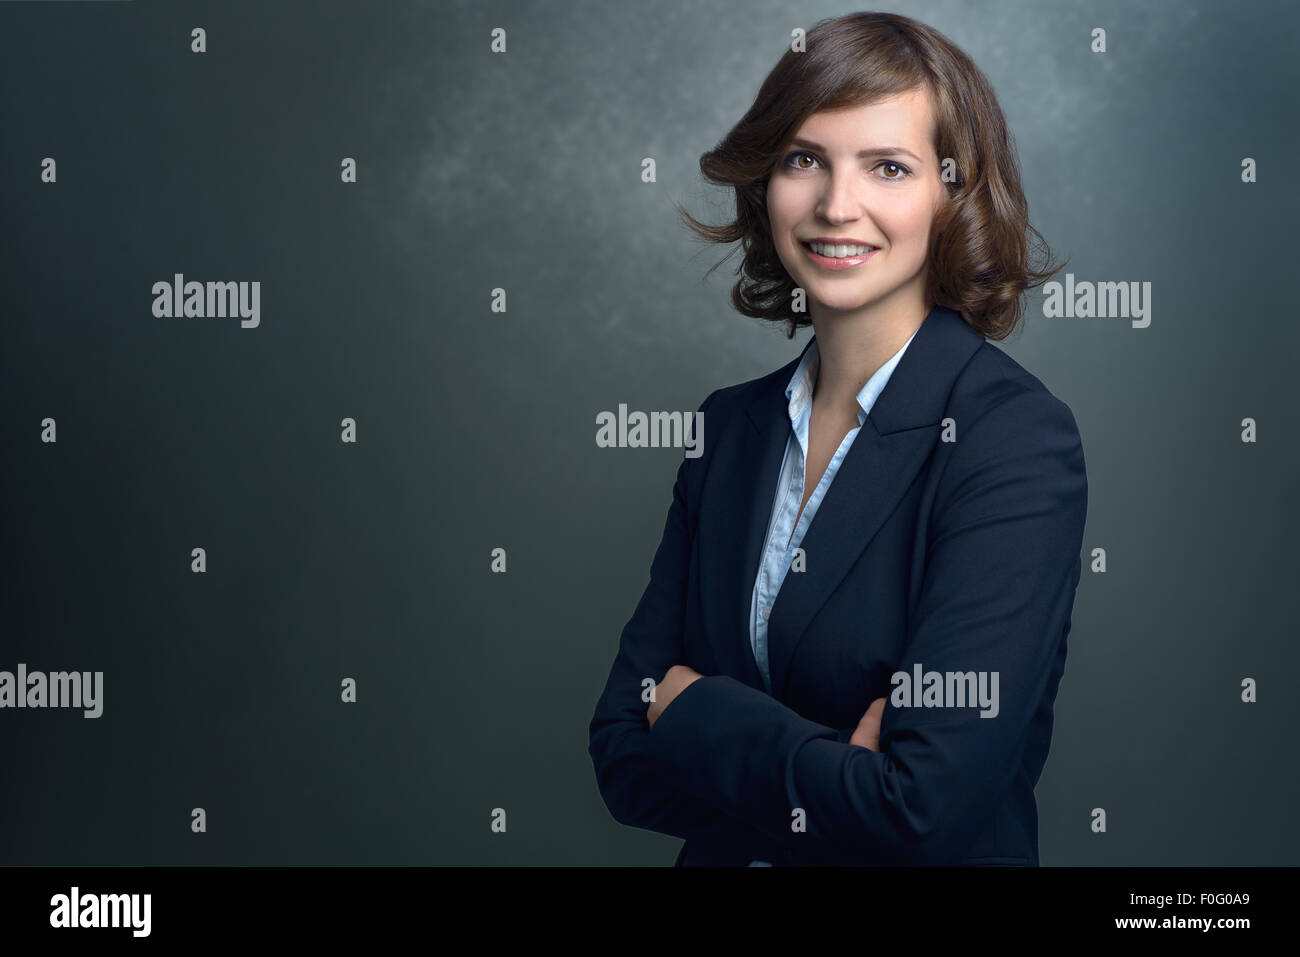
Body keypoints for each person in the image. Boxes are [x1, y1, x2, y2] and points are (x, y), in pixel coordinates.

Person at [588, 11, 1087, 866]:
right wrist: (834, 775)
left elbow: (917, 815)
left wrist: (698, 714)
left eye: (887, 167)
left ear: (952, 192)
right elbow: (623, 758)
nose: (835, 205)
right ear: (764, 182)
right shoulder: (727, 428)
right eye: (804, 159)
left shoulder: (1012, 440)